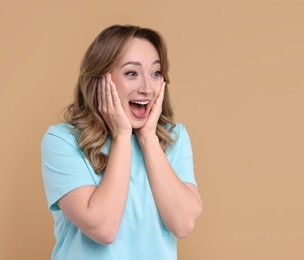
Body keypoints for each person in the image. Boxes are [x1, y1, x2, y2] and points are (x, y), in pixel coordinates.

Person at [41, 24, 203, 260]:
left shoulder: (174, 137)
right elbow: (103, 228)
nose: (147, 88)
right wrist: (121, 137)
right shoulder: (62, 141)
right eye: (132, 73)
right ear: (100, 80)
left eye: (155, 73)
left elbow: (183, 224)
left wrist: (148, 138)